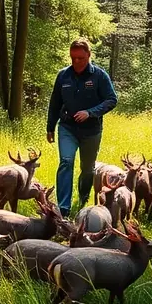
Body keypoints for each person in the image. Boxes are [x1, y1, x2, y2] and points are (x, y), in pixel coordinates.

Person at [46, 38, 118, 216]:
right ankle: (63, 209)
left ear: (89, 56)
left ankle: (83, 196)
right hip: (67, 128)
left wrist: (90, 112)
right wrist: (50, 127)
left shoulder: (99, 76)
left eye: (81, 58)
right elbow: (55, 102)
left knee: (87, 169)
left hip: (91, 130)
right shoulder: (63, 75)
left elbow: (111, 100)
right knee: (66, 162)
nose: (77, 62)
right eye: (73, 58)